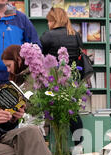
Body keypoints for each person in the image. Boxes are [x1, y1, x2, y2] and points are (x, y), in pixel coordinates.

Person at [40, 7, 83, 147]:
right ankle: (79, 145)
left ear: (54, 20)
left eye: (49, 21)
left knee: (50, 112)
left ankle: (52, 146)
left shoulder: (48, 36)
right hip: (71, 80)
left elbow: (41, 57)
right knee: (73, 113)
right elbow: (78, 56)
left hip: (53, 80)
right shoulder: (75, 35)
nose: (48, 23)